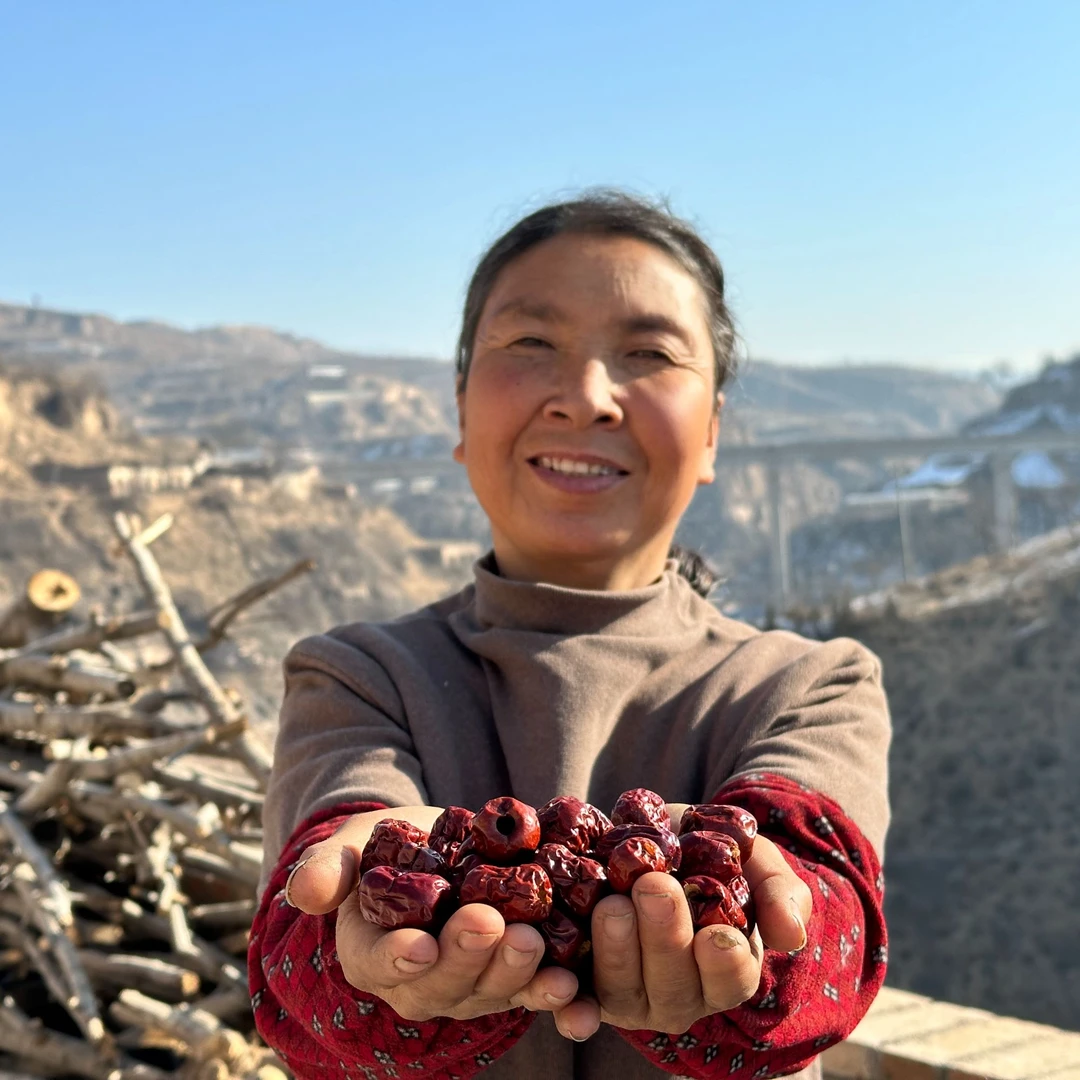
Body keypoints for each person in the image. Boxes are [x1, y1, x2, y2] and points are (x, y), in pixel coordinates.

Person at [248, 191, 891, 1080]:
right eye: (531, 345)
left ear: (712, 434)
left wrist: (771, 941)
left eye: (650, 354)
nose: (586, 398)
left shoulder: (812, 682)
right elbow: (304, 955)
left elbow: (826, 931)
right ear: (461, 411)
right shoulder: (355, 674)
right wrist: (360, 959)